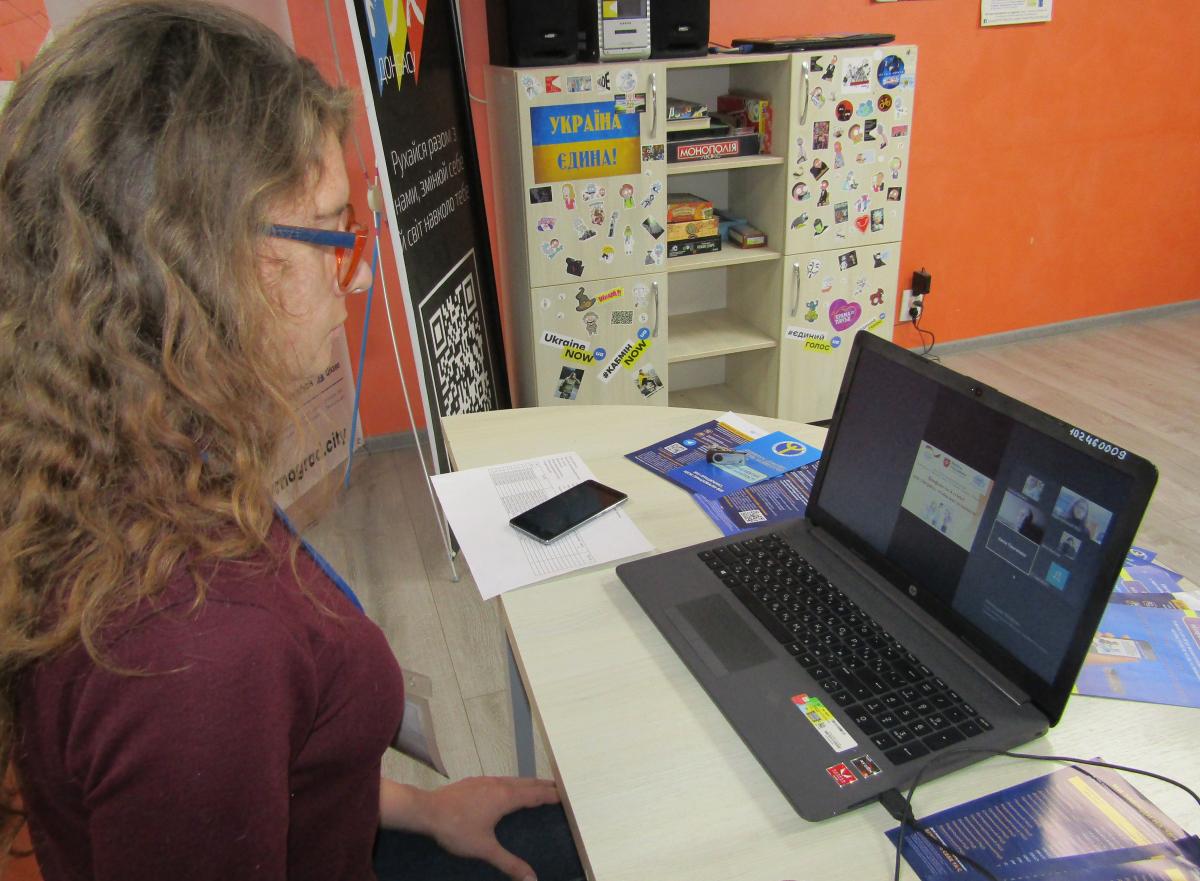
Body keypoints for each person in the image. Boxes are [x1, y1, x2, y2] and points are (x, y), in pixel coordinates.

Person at [0, 3, 583, 880]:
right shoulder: (193, 649)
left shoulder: (114, 461)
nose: (357, 272)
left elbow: (259, 779)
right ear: (207, 264)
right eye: (331, 232)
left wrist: (416, 808)